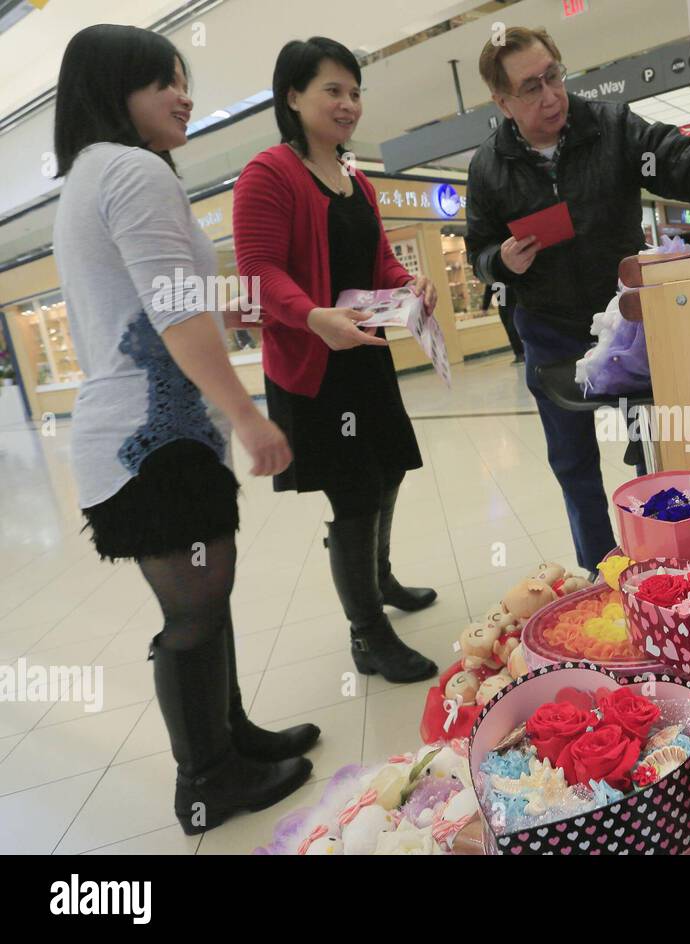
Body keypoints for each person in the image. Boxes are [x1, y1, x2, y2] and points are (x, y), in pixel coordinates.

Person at [52, 24, 315, 835]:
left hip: (142, 437)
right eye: (162, 81)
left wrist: (223, 307)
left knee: (208, 599)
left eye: (183, 77)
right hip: (154, 439)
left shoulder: (95, 176)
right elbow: (170, 314)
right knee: (194, 614)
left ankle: (232, 737)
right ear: (110, 90)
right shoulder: (130, 171)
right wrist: (246, 414)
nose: (184, 95)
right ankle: (206, 782)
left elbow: (160, 303)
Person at [467, 27, 690, 576]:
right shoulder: (488, 167)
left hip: (627, 322)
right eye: (530, 88)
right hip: (549, 330)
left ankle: (670, 561)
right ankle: (602, 570)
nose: (550, 95)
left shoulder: (610, 127)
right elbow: (478, 248)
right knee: (574, 463)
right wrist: (500, 262)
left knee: (657, 446)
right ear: (502, 101)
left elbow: (677, 158)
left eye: (553, 76)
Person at [234, 37, 440, 684]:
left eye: (354, 92)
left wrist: (408, 285)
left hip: (365, 357)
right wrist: (314, 317)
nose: (348, 103)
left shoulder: (354, 176)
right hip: (315, 365)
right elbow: (258, 271)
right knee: (354, 496)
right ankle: (367, 634)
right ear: (292, 96)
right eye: (333, 90)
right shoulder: (269, 173)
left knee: (390, 471)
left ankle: (379, 580)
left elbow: (375, 260)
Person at [480, 281, 524, 363]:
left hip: (514, 303)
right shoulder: (493, 276)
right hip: (503, 305)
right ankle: (518, 353)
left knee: (512, 329)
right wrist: (484, 308)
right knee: (509, 330)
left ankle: (522, 353)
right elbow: (488, 290)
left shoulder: (508, 272)